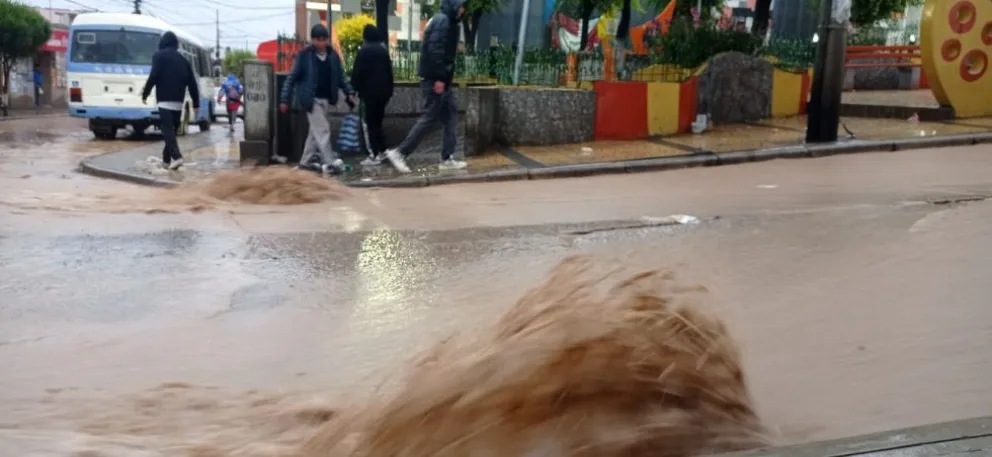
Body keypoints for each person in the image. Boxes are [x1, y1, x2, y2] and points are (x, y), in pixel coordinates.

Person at [383, 0, 468, 173]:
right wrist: (439, 78)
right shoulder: (443, 21)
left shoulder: (447, 21)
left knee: (451, 115)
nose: (463, 9)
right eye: (461, 5)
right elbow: (435, 50)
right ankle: (400, 153)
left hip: (441, 79)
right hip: (436, 80)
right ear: (454, 6)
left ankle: (447, 158)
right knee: (430, 117)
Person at [279, 24, 356, 174]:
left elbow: (341, 77)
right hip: (311, 99)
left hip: (326, 99)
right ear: (313, 40)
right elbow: (292, 78)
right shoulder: (304, 55)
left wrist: (349, 91)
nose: (321, 43)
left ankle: (305, 162)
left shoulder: (333, 56)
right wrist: (284, 99)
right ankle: (329, 162)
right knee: (323, 129)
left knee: (314, 133)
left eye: (324, 39)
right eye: (318, 39)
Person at [141, 31, 200, 170]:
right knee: (171, 131)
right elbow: (192, 83)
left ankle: (177, 157)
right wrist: (196, 103)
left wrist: (145, 93)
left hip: (164, 100)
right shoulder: (184, 60)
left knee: (168, 131)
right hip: (179, 102)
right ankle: (166, 161)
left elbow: (153, 76)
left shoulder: (158, 56)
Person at [350, 24, 394, 166]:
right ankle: (382, 151)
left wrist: (353, 90)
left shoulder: (363, 51)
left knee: (369, 124)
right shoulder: (383, 51)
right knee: (378, 123)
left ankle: (373, 154)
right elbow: (389, 73)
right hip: (383, 94)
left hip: (368, 95)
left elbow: (357, 73)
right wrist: (389, 92)